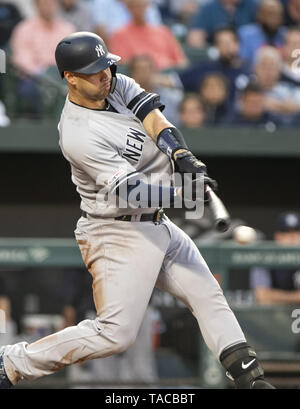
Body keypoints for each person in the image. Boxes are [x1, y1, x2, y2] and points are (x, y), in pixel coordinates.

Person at [0, 31, 275, 390]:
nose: (105, 75)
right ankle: (10, 363)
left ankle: (250, 379)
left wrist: (180, 154)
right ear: (69, 77)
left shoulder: (113, 84)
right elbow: (132, 193)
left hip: (155, 223)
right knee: (115, 334)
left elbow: (152, 117)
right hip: (116, 231)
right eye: (94, 71)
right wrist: (185, 194)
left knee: (207, 293)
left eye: (106, 66)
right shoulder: (77, 133)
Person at [179, 27, 250, 104]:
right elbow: (175, 80)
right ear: (216, 46)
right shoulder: (205, 68)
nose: (227, 47)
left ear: (238, 44)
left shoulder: (248, 71)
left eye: (229, 42)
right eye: (221, 43)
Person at [109, 0, 187, 70]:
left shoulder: (163, 31)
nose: (139, 9)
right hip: (140, 79)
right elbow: (121, 64)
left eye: (142, 5)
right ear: (128, 8)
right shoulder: (119, 35)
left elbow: (182, 61)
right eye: (135, 6)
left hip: (169, 75)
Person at [250, 212, 300, 305]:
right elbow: (262, 297)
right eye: (286, 232)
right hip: (273, 317)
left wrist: (275, 296)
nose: (292, 236)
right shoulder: (265, 257)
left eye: (296, 231)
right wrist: (294, 297)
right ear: (277, 236)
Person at [128, 55, 184, 126]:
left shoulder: (171, 97)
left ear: (154, 71)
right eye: (138, 70)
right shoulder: (124, 99)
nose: (143, 73)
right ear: (132, 74)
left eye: (146, 69)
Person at [253, 46, 300, 125]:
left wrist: (270, 104)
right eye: (264, 66)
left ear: (279, 70)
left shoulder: (289, 89)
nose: (268, 72)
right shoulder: (247, 86)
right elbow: (244, 106)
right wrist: (285, 107)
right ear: (255, 68)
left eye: (272, 66)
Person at [187, 0, 259, 48]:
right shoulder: (209, 8)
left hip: (247, 53)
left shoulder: (252, 6)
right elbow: (195, 37)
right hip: (217, 54)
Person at [238, 0, 286, 67]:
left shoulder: (286, 35)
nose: (274, 18)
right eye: (270, 13)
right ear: (259, 15)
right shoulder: (245, 35)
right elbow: (242, 62)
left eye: (278, 14)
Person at [91, 0, 162, 43]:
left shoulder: (143, 2)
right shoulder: (102, 2)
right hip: (118, 44)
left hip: (147, 43)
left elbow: (157, 30)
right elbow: (101, 32)